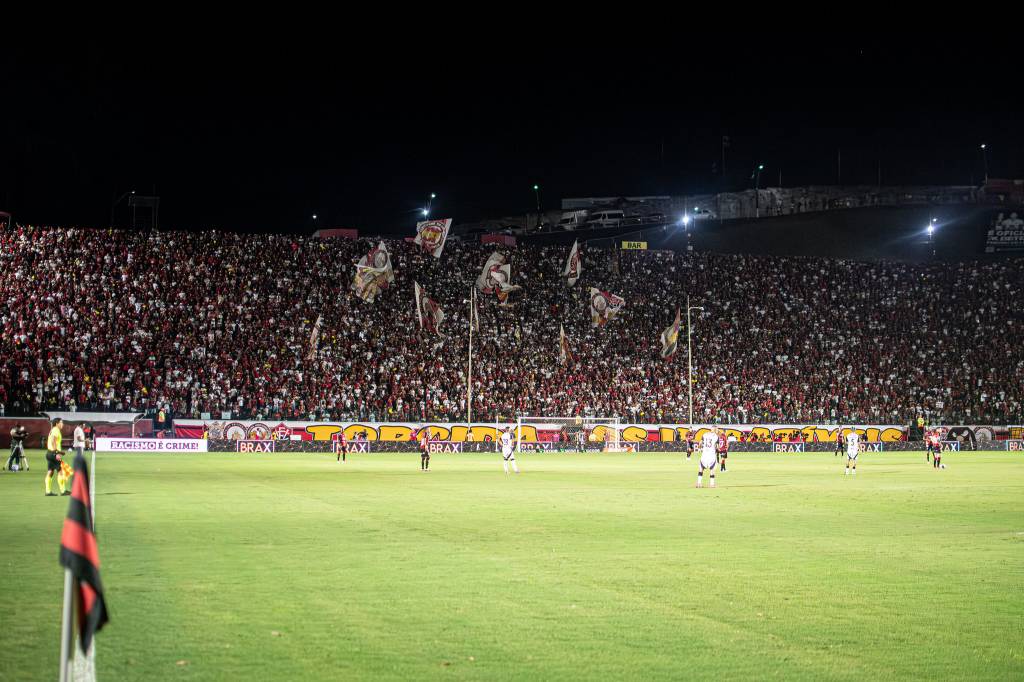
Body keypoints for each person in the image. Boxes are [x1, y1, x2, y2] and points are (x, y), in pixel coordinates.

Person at [45, 418, 68, 496]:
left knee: (50, 471)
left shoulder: (53, 429)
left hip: (49, 452)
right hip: (54, 453)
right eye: (61, 422)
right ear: (56, 423)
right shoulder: (56, 430)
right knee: (60, 471)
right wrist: (57, 453)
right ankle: (63, 491)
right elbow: (53, 441)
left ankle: (48, 491)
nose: (62, 424)